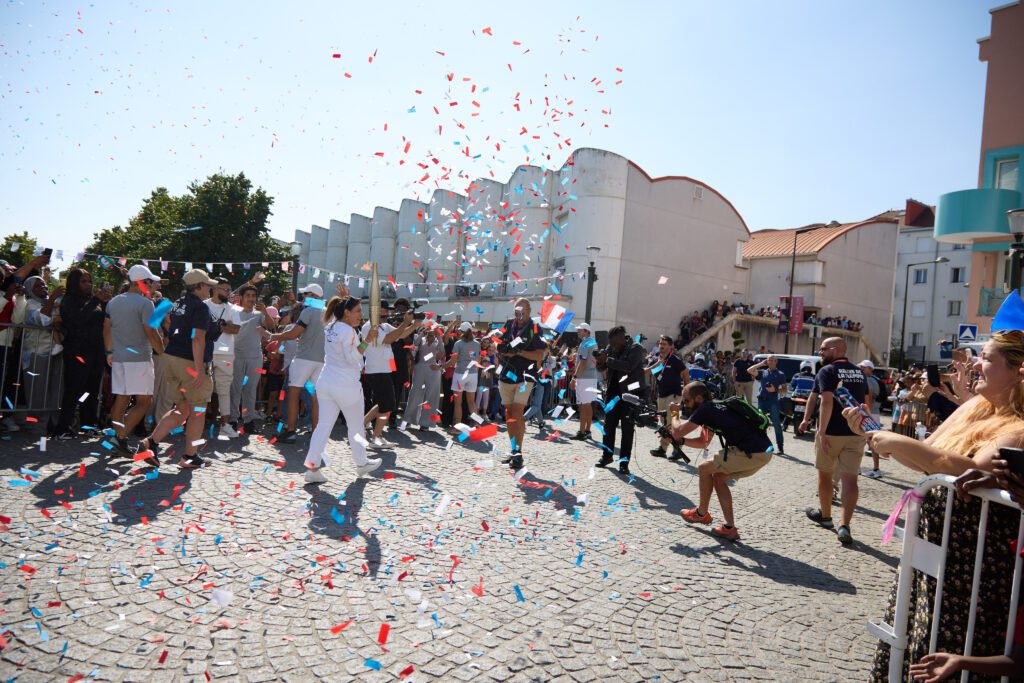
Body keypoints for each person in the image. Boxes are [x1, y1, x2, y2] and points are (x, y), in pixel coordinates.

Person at [846, 331, 1024, 682]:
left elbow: (960, 465)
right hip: (939, 560)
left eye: (986, 357)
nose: (975, 363)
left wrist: (895, 441)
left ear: (1019, 370)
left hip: (974, 572)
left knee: (945, 648)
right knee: (915, 640)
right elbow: (932, 463)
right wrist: (877, 436)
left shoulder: (1017, 427)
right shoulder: (980, 410)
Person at [134, 269, 220, 469]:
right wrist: (199, 369)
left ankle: (150, 443)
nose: (210, 288)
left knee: (182, 409)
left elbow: (152, 322)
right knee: (198, 409)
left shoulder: (175, 302)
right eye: (207, 285)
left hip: (170, 357)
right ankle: (189, 456)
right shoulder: (200, 307)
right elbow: (197, 338)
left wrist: (164, 343)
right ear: (198, 286)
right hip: (190, 362)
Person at [670, 381, 773, 541]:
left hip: (750, 451)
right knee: (718, 478)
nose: (684, 405)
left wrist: (674, 414)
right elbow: (703, 442)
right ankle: (729, 528)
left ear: (698, 398)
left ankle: (701, 514)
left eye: (686, 400)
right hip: (764, 452)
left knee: (704, 468)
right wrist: (682, 442)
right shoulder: (714, 408)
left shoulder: (705, 410)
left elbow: (677, 431)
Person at [302, 293, 382, 484]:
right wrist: (368, 339)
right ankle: (361, 463)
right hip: (346, 385)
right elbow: (353, 358)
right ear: (346, 313)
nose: (360, 315)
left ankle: (312, 468)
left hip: (326, 383)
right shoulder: (348, 331)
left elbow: (335, 313)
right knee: (355, 426)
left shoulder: (330, 326)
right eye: (357, 311)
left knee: (323, 426)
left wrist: (345, 297)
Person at [801, 337, 867, 545]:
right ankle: (845, 525)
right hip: (856, 432)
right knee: (850, 480)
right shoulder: (858, 371)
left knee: (825, 475)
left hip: (831, 433)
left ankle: (827, 517)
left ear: (837, 349)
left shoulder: (827, 371)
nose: (820, 352)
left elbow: (826, 401)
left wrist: (821, 431)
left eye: (823, 349)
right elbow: (866, 401)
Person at [103, 265, 163, 456]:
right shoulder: (146, 304)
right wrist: (162, 350)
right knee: (144, 401)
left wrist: (109, 352)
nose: (152, 285)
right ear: (141, 283)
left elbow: (106, 328)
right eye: (150, 282)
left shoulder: (113, 302)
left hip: (119, 358)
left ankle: (118, 437)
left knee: (122, 399)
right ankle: (119, 438)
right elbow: (151, 331)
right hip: (139, 359)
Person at [55, 267, 110, 438]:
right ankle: (63, 427)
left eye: (89, 281)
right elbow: (78, 320)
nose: (88, 284)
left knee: (91, 391)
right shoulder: (69, 300)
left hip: (95, 351)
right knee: (74, 389)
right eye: (83, 281)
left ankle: (88, 425)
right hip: (77, 351)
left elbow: (101, 322)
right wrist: (95, 300)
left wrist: (105, 303)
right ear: (74, 283)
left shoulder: (93, 301)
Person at [268, 283, 325, 444]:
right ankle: (316, 433)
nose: (303, 298)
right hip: (321, 361)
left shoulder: (308, 311)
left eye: (306, 294)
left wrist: (272, 336)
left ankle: (291, 431)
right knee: (315, 398)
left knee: (293, 395)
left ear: (313, 296)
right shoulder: (328, 313)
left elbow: (293, 334)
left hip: (303, 359)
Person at [495, 298, 547, 469]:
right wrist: (502, 349)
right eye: (517, 310)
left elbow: (539, 355)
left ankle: (519, 453)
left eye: (523, 310)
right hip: (506, 375)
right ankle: (513, 450)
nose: (520, 314)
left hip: (525, 377)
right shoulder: (509, 324)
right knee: (509, 414)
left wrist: (519, 352)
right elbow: (499, 344)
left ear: (530, 311)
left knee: (517, 411)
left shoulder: (535, 328)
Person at [361, 307, 418, 449]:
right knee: (387, 405)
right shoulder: (369, 326)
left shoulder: (384, 326)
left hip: (383, 370)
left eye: (386, 312)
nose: (386, 314)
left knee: (384, 403)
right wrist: (405, 322)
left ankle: (363, 426)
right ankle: (375, 437)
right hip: (376, 370)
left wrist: (415, 324)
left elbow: (401, 334)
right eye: (383, 312)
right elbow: (389, 339)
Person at [593, 326, 646, 475]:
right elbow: (600, 368)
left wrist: (608, 359)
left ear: (623, 338)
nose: (613, 347)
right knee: (608, 426)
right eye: (612, 344)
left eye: (616, 344)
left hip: (630, 394)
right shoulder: (611, 347)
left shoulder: (636, 348)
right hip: (613, 393)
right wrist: (600, 360)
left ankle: (624, 463)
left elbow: (628, 366)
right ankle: (606, 456)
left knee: (627, 429)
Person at [21, 276, 64, 434]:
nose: (43, 288)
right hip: (36, 353)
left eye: (45, 285)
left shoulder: (51, 303)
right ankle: (36, 425)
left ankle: (54, 423)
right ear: (30, 290)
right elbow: (41, 320)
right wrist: (52, 298)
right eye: (38, 286)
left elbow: (59, 321)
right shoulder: (30, 304)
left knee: (56, 389)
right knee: (36, 390)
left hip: (55, 352)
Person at [231, 284, 274, 432]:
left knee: (250, 389)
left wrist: (266, 313)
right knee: (235, 389)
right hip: (236, 355)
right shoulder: (234, 312)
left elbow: (271, 326)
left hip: (255, 357)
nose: (251, 299)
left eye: (253, 296)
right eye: (247, 296)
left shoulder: (259, 314)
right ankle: (233, 420)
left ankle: (248, 420)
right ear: (241, 298)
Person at [205, 277, 242, 439]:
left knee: (224, 390)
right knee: (203, 390)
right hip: (205, 352)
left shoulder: (233, 309)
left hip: (226, 354)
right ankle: (196, 422)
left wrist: (219, 326)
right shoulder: (204, 305)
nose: (229, 293)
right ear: (215, 289)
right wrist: (224, 325)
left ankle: (225, 425)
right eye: (226, 289)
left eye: (229, 290)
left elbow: (235, 329)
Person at [649, 334, 689, 459]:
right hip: (661, 395)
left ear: (671, 346)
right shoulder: (656, 359)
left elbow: (686, 374)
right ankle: (663, 449)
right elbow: (648, 371)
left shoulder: (675, 360)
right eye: (660, 344)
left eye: (664, 344)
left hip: (675, 395)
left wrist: (686, 392)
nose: (661, 346)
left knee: (672, 422)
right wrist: (657, 364)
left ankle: (675, 449)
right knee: (664, 422)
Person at [404, 321, 446, 430]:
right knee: (415, 393)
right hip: (420, 368)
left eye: (433, 330)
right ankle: (409, 419)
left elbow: (442, 354)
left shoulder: (438, 341)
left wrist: (439, 336)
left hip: (433, 370)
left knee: (431, 396)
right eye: (430, 330)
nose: (431, 332)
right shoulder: (421, 339)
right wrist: (423, 333)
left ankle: (426, 423)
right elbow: (413, 347)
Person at [746, 354, 787, 454]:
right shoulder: (763, 372)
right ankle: (762, 445)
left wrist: (775, 389)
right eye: (768, 360)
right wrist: (761, 363)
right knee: (761, 423)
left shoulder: (781, 374)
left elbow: (785, 390)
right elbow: (749, 370)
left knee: (776, 424)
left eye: (772, 360)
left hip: (773, 401)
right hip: (762, 401)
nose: (770, 362)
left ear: (776, 362)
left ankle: (780, 447)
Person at [569, 322, 600, 441]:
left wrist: (574, 378)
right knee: (587, 405)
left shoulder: (586, 343)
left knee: (583, 405)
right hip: (591, 376)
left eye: (580, 330)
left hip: (584, 377)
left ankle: (582, 432)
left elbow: (582, 362)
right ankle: (587, 430)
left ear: (586, 331)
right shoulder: (593, 342)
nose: (578, 331)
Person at [449, 321, 482, 428]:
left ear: (461, 331)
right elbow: (478, 359)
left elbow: (452, 362)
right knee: (471, 402)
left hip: (460, 374)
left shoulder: (458, 343)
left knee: (458, 403)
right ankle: (477, 424)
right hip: (472, 374)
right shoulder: (477, 344)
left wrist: (441, 367)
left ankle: (458, 427)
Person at [859, 359, 883, 478]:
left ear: (870, 369)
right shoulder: (875, 380)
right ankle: (875, 468)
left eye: (864, 367)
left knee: (866, 441)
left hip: (869, 413)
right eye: (861, 367)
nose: (861, 369)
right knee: (870, 442)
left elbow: (869, 396)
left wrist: (866, 414)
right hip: (873, 413)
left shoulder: (868, 380)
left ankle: (875, 469)